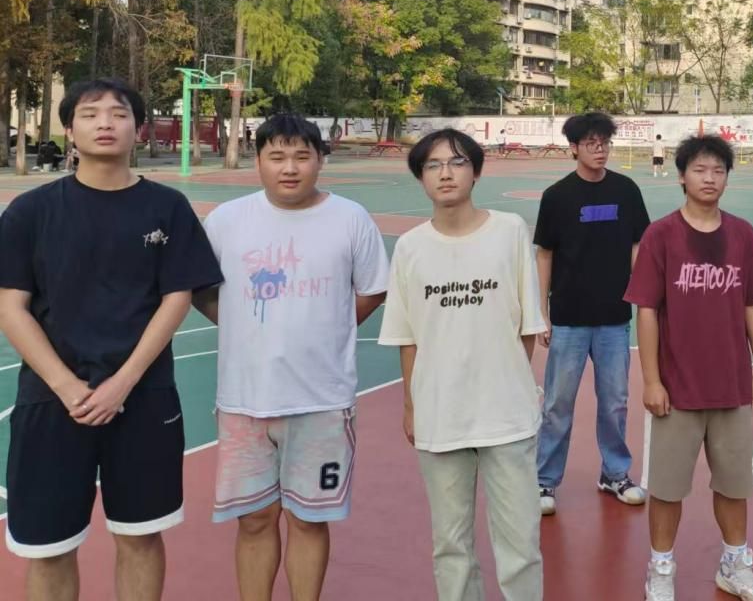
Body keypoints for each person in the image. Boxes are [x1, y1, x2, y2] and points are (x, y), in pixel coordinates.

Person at [0, 78, 223, 601]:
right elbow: (11, 306)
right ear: (69, 129)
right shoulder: (30, 212)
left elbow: (176, 298)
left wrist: (123, 382)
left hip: (144, 398)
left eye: (119, 114)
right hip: (52, 401)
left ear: (138, 128)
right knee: (49, 548)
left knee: (141, 536)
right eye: (90, 113)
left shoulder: (167, 208)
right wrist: (66, 386)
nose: (105, 123)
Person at [193, 113, 388, 601]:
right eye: (276, 156)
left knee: (309, 520)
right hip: (244, 401)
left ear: (320, 159)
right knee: (254, 519)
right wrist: (242, 326)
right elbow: (200, 290)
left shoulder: (350, 218)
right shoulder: (226, 221)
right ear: (257, 160)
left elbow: (372, 289)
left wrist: (330, 328)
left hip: (322, 401)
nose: (290, 167)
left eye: (302, 156)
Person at [379, 129, 545, 601]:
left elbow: (527, 326)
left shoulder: (510, 231)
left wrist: (505, 380)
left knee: (520, 546)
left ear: (476, 171)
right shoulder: (410, 247)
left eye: (456, 162)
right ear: (421, 178)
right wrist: (412, 405)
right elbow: (407, 338)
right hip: (440, 413)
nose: (446, 173)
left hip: (507, 416)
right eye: (433, 165)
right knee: (451, 547)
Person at [625, 135, 753, 601]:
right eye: (700, 170)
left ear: (727, 178)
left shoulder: (743, 235)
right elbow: (646, 310)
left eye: (718, 170)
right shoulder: (661, 235)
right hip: (676, 389)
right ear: (682, 177)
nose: (710, 178)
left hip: (731, 385)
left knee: (734, 484)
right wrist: (651, 380)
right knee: (667, 488)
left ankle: (734, 563)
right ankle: (661, 568)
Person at [534, 112, 649, 515]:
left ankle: (615, 473)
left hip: (614, 318)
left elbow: (637, 245)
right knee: (557, 405)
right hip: (568, 318)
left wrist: (642, 295)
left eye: (605, 143)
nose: (600, 150)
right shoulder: (557, 196)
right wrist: (542, 310)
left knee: (615, 402)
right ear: (574, 148)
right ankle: (544, 480)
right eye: (591, 144)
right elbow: (545, 254)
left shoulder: (626, 190)